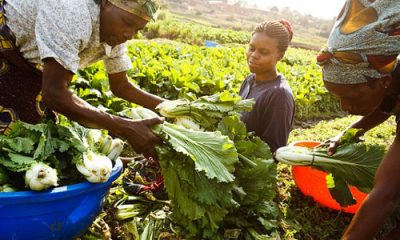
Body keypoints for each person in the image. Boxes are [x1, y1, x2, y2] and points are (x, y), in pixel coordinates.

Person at [0, 0, 165, 158]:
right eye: (128, 23)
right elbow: (54, 94)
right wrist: (124, 127)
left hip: (28, 62)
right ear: (106, 3)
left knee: (35, 136)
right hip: (5, 45)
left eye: (137, 29)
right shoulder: (71, 12)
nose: (129, 35)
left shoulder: (115, 32)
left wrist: (170, 109)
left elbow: (120, 85)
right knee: (12, 137)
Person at [316, 0, 400, 239]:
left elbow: (387, 193)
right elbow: (387, 104)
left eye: (350, 96)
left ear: (381, 82)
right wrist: (348, 133)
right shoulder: (389, 72)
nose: (344, 107)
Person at [239, 20, 295, 152]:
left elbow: (272, 151)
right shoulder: (249, 80)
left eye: (263, 52)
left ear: (280, 56)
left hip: (249, 170)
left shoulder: (279, 95)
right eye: (251, 48)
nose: (253, 55)